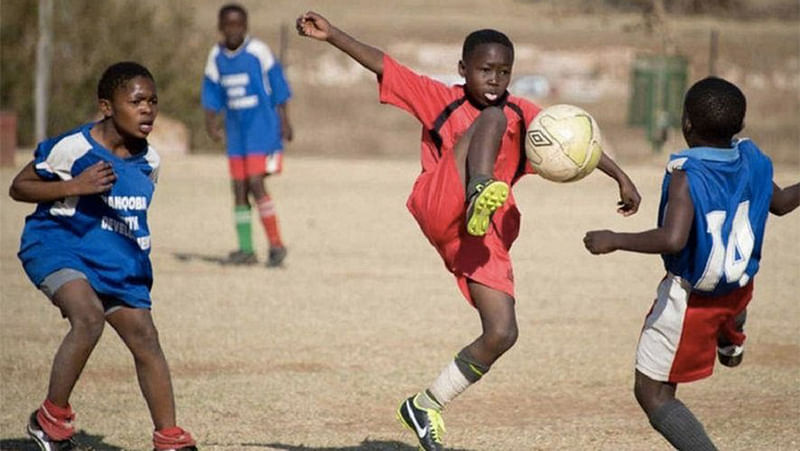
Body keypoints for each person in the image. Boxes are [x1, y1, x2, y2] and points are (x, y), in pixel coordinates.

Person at [297, 11, 641, 450]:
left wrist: (619, 175)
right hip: (442, 203)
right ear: (463, 70)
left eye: (503, 72)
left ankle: (425, 404)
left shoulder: (525, 112)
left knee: (502, 332)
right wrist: (332, 36)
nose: (494, 80)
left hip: (481, 234)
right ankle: (480, 187)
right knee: (492, 119)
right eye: (485, 70)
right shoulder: (442, 99)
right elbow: (385, 64)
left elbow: (573, 141)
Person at [583, 76, 800, 450]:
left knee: (652, 392)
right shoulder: (752, 159)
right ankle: (731, 332)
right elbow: (780, 204)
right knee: (730, 303)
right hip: (739, 285)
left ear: (685, 124)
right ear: (740, 126)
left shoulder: (688, 176)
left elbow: (672, 239)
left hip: (693, 299)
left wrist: (613, 239)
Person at [10, 62, 197, 451]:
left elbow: (130, 215)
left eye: (153, 101)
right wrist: (76, 185)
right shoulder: (74, 148)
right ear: (107, 106)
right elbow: (19, 186)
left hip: (113, 258)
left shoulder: (150, 161)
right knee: (88, 316)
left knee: (145, 337)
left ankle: (170, 438)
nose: (148, 109)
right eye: (136, 101)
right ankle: (50, 421)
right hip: (57, 244)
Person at [202, 3, 293, 267]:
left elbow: (278, 85)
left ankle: (276, 245)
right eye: (228, 25)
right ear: (220, 27)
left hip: (262, 130)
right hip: (236, 134)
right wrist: (211, 122)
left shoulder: (258, 52)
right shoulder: (216, 56)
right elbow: (211, 91)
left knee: (256, 182)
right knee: (239, 188)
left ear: (246, 26)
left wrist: (285, 121)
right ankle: (246, 250)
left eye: (238, 25)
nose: (233, 30)